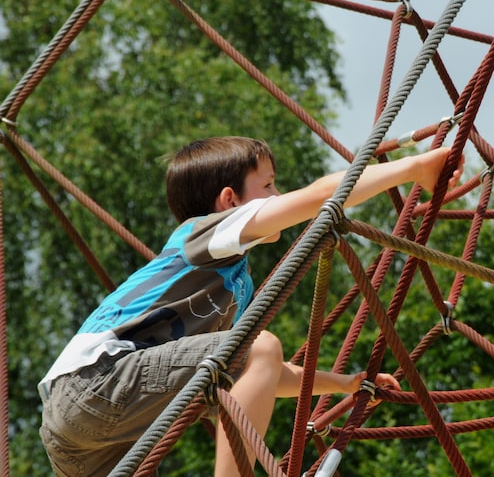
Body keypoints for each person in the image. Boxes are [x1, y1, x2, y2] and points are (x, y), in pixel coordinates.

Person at [38, 136, 464, 476]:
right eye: (268, 185)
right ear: (230, 200)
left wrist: (345, 384)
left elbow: (261, 373)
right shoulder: (205, 233)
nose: (277, 195)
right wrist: (410, 169)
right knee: (260, 343)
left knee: (256, 349)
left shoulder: (233, 280)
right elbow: (319, 198)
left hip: (82, 436)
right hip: (96, 381)